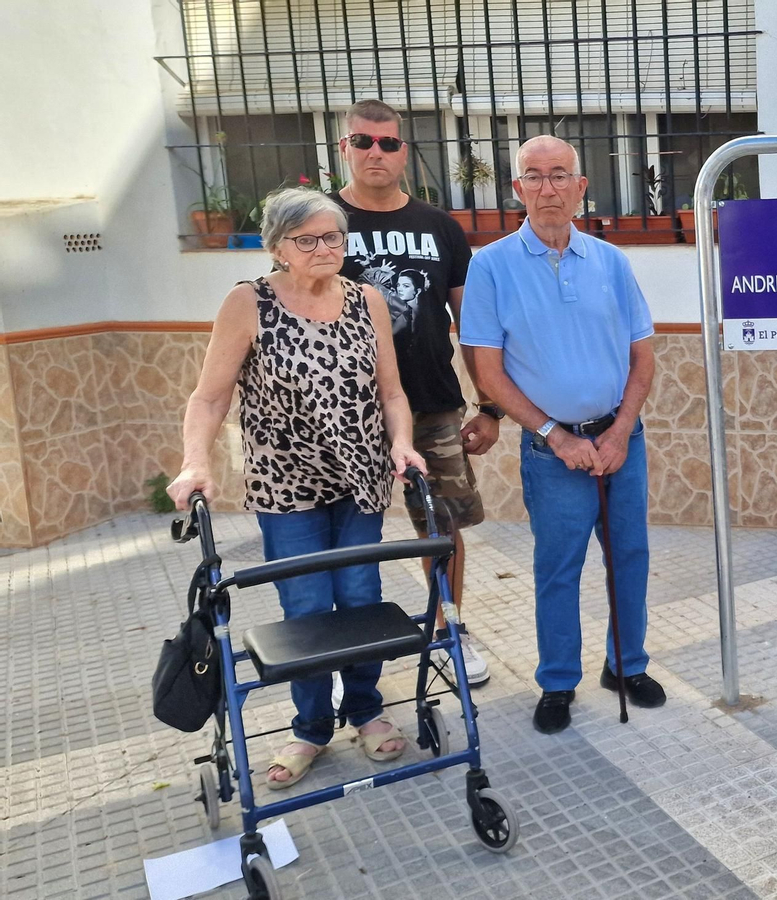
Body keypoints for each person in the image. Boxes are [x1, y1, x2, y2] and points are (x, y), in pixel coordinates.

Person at [168, 188, 425, 788]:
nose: (323, 248)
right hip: (286, 486)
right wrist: (194, 462)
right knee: (306, 608)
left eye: (333, 237)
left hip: (360, 475)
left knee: (361, 598)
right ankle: (310, 727)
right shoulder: (247, 302)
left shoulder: (367, 300)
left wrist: (402, 442)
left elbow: (391, 391)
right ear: (278, 246)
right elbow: (209, 396)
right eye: (307, 239)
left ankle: (366, 710)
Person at [460, 135, 663, 736]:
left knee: (630, 558)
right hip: (553, 451)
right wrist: (554, 434)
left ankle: (626, 667)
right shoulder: (490, 265)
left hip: (622, 441)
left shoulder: (612, 261)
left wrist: (622, 431)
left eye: (559, 175)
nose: (547, 187)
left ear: (581, 187)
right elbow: (487, 370)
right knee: (558, 566)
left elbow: (642, 356)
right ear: (517, 188)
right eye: (534, 176)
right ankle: (557, 681)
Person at [334, 99, 497, 688]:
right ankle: (343, 652)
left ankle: (450, 629)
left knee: (441, 524)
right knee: (345, 531)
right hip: (343, 413)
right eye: (363, 142)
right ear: (344, 147)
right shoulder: (319, 223)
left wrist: (490, 405)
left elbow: (472, 324)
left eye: (388, 143)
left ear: (404, 151)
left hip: (431, 402)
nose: (376, 152)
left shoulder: (440, 227)